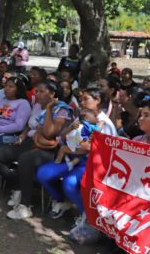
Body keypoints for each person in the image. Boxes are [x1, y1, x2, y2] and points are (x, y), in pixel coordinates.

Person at [0, 80, 74, 218]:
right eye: (36, 91)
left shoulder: (61, 109)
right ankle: (17, 185)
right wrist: (22, 135)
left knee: (25, 159)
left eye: (41, 91)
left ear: (52, 93)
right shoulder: (38, 106)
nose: (37, 94)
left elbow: (49, 133)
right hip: (29, 141)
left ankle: (25, 206)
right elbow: (29, 124)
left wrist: (49, 110)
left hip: (51, 149)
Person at [32, 89, 117, 221]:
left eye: (85, 99)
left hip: (92, 164)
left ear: (98, 100)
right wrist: (71, 135)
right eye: (81, 99)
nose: (81, 102)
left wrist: (72, 148)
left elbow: (92, 149)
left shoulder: (104, 124)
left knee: (69, 183)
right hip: (71, 157)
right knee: (43, 173)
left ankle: (87, 216)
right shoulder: (82, 116)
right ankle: (61, 201)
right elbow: (65, 137)